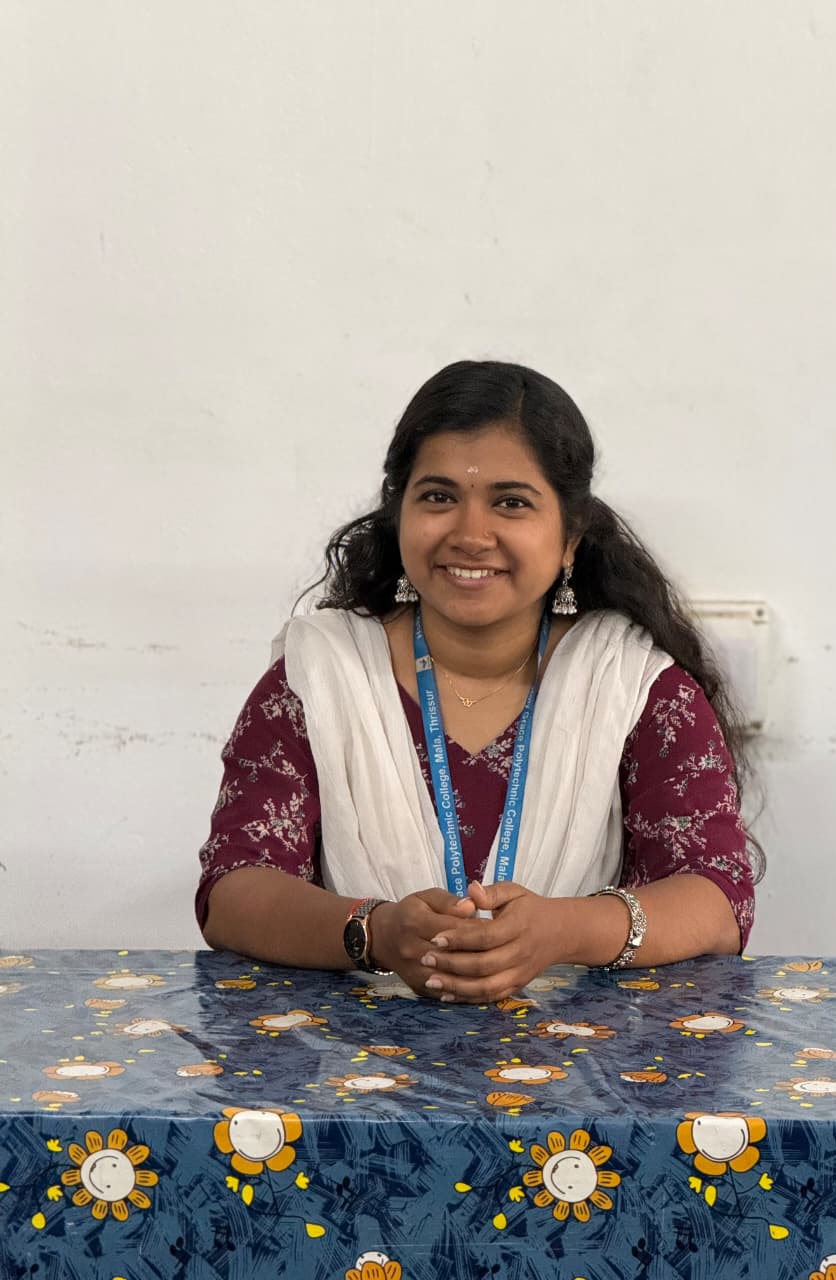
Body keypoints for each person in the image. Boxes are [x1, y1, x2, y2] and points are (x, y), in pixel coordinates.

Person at [197, 360, 761, 1003]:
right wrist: (374, 932)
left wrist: (564, 931)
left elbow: (717, 899)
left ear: (570, 536)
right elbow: (234, 887)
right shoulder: (320, 679)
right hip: (351, 1058)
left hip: (582, 1057)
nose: (470, 535)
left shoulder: (634, 689)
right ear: (398, 514)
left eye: (511, 502)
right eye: (438, 497)